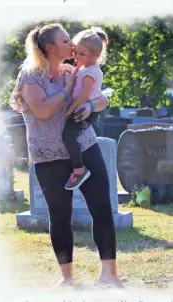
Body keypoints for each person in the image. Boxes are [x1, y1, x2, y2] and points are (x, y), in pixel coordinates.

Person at [9, 22, 123, 288]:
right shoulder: (30, 77)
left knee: (102, 209)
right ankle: (68, 279)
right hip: (49, 156)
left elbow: (103, 97)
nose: (72, 45)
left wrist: (92, 104)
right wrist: (67, 87)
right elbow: (43, 112)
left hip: (85, 147)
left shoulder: (75, 68)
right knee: (60, 216)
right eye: (65, 41)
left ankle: (109, 275)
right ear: (50, 48)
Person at [62, 27, 108, 190]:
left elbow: (83, 96)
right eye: (75, 53)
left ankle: (79, 169)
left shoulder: (91, 72)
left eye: (81, 54)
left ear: (95, 55)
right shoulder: (84, 69)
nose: (76, 57)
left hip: (83, 112)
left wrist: (69, 111)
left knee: (67, 136)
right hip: (79, 108)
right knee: (68, 136)